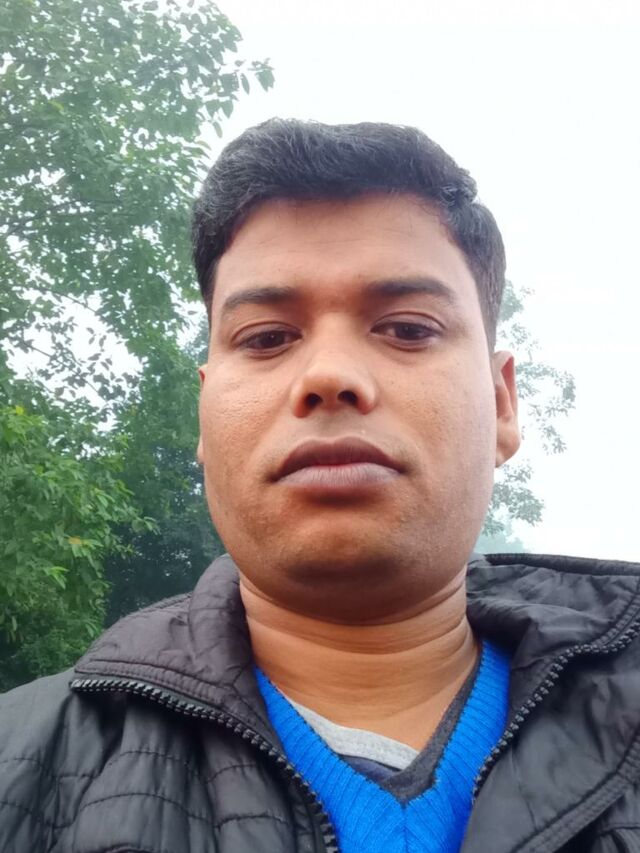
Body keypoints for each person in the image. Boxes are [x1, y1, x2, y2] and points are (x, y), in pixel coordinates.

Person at [1, 119, 639, 853]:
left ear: (501, 404)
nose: (329, 375)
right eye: (267, 337)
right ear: (204, 413)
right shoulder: (21, 765)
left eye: (407, 328)